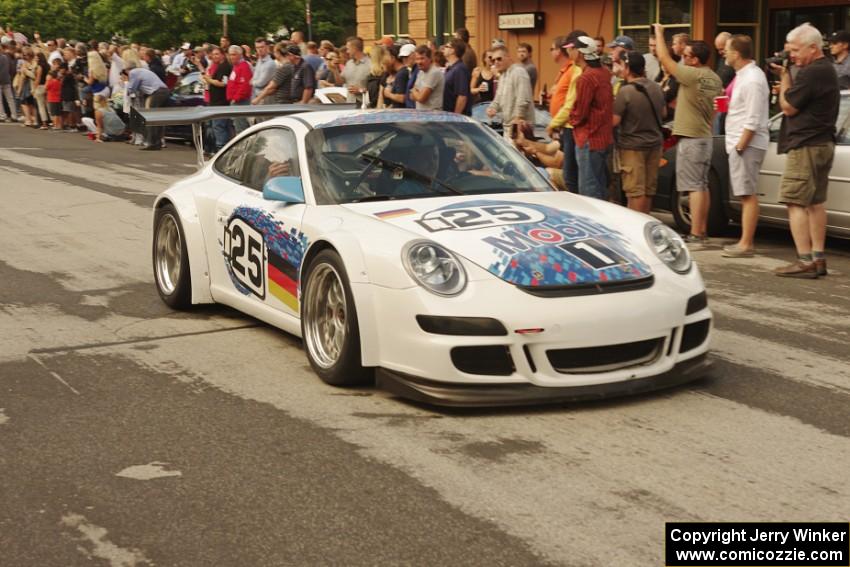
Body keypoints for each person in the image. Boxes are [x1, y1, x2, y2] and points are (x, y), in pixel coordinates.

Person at [772, 23, 840, 278]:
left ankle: (804, 260)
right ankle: (818, 258)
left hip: (806, 144)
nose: (792, 56)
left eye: (796, 50)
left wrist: (783, 78)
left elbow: (788, 106)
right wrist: (788, 73)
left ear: (813, 48)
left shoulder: (813, 72)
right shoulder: (826, 69)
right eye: (789, 51)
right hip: (822, 142)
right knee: (815, 202)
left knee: (795, 201)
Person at [654, 24, 723, 248]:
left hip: (691, 138)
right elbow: (718, 107)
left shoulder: (691, 75)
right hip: (704, 135)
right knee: (701, 185)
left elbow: (665, 59)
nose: (682, 59)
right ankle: (701, 230)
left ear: (694, 60)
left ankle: (696, 234)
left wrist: (659, 32)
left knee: (693, 186)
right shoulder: (714, 77)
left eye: (685, 56)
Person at [720, 34, 770, 258]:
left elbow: (753, 117)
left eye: (728, 50)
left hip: (746, 143)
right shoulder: (744, 75)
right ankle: (745, 241)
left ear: (737, 54)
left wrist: (741, 145)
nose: (724, 53)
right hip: (740, 142)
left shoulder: (752, 79)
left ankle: (746, 243)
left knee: (747, 193)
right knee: (744, 193)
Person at [613, 52, 666, 213]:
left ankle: (636, 227)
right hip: (655, 145)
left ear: (628, 68)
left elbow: (614, 121)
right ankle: (646, 223)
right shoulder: (656, 87)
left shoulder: (625, 91)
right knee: (648, 190)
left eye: (622, 65)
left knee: (635, 191)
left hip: (632, 147)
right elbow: (663, 113)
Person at [568, 36, 614, 200]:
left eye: (571, 49)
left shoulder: (586, 78)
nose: (568, 51)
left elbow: (580, 112)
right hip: (604, 137)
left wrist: (570, 119)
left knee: (589, 191)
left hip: (589, 138)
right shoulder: (604, 73)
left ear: (580, 53)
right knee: (600, 186)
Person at [546, 30, 587, 193]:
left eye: (571, 48)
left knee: (572, 175)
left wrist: (554, 124)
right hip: (566, 125)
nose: (568, 51)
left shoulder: (576, 70)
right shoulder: (571, 69)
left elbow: (571, 102)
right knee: (571, 173)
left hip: (572, 126)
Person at [486, 45, 534, 139]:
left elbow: (524, 99)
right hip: (508, 126)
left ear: (508, 57)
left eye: (499, 59)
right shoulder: (503, 76)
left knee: (517, 153)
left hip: (520, 126)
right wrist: (492, 108)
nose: (496, 62)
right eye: (493, 60)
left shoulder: (518, 72)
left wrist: (518, 119)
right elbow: (498, 99)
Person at [122, 63, 169, 150]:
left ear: (127, 70)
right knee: (159, 119)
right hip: (164, 91)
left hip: (156, 93)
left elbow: (132, 88)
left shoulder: (133, 72)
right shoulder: (144, 71)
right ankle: (158, 142)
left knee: (151, 118)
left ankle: (152, 143)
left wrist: (127, 89)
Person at [203, 46, 232, 151]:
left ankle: (221, 148)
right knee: (217, 126)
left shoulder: (225, 67)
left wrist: (208, 80)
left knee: (219, 127)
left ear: (222, 55)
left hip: (221, 102)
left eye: (217, 54)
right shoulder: (218, 66)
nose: (215, 56)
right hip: (215, 101)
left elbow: (223, 83)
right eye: (213, 54)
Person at [225, 45, 253, 134]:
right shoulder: (236, 66)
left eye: (233, 55)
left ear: (240, 55)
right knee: (237, 126)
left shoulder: (244, 66)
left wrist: (235, 98)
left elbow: (245, 86)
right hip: (235, 101)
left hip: (241, 102)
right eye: (230, 55)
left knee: (241, 128)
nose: (231, 57)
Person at [442, 39, 471, 115]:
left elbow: (462, 96)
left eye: (446, 46)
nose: (443, 48)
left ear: (453, 50)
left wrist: (456, 116)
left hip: (454, 118)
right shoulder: (450, 68)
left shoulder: (460, 69)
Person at [410, 45, 444, 111]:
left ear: (430, 59)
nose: (419, 62)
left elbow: (421, 98)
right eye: (417, 59)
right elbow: (411, 96)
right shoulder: (421, 72)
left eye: (422, 58)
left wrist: (414, 90)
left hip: (432, 116)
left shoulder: (434, 73)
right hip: (422, 114)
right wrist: (415, 92)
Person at [341, 36, 371, 105]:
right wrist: (334, 70)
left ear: (354, 48)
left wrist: (361, 90)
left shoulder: (371, 65)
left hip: (366, 106)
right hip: (350, 104)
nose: (347, 52)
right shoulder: (349, 63)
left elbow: (377, 89)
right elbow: (340, 82)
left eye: (348, 49)